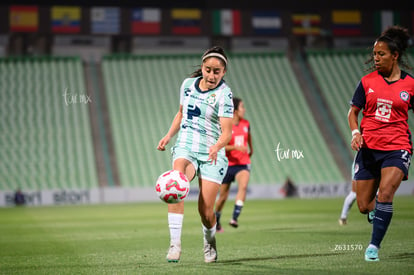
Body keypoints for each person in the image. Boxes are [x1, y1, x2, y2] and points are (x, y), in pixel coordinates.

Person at [157, 46, 233, 263]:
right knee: (175, 184)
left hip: (211, 153)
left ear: (223, 72)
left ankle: (209, 243)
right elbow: (181, 113)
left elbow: (227, 131)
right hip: (186, 146)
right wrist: (168, 135)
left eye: (216, 72)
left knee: (206, 210)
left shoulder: (224, 94)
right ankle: (174, 244)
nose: (211, 75)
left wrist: (217, 146)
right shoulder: (188, 85)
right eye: (208, 70)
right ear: (202, 68)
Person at [348, 25, 413, 262]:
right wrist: (356, 132)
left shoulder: (410, 85)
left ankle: (373, 247)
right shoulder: (366, 82)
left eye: (381, 54)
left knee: (386, 193)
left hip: (397, 147)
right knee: (364, 206)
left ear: (395, 55)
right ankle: (378, 213)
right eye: (374, 54)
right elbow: (352, 113)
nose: (376, 58)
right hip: (368, 148)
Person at [214, 97, 253, 232]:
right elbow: (220, 146)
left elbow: (249, 138)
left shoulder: (246, 124)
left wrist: (250, 149)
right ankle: (217, 221)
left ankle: (234, 218)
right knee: (223, 197)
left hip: (243, 163)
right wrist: (236, 147)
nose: (244, 109)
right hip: (228, 164)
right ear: (235, 110)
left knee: (243, 186)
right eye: (242, 107)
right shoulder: (226, 125)